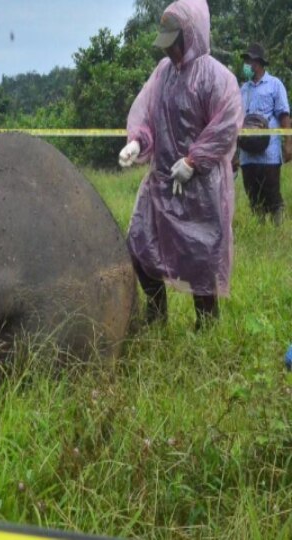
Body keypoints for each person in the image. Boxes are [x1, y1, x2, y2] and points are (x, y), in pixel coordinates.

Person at [118, 0, 243, 329]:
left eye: (176, 42)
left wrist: (193, 160)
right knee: (139, 245)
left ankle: (207, 324)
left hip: (200, 188)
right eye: (167, 44)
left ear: (193, 35)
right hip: (160, 183)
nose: (171, 51)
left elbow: (226, 125)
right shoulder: (163, 74)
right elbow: (146, 113)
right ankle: (157, 313)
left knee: (200, 256)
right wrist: (138, 141)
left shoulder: (217, 78)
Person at [238, 43, 292, 226]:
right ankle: (260, 233)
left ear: (258, 63)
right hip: (247, 156)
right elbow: (237, 122)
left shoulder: (275, 85)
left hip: (268, 156)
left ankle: (278, 233)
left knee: (272, 197)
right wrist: (234, 154)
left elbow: (284, 116)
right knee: (253, 198)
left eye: (248, 60)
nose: (245, 64)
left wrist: (288, 144)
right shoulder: (242, 90)